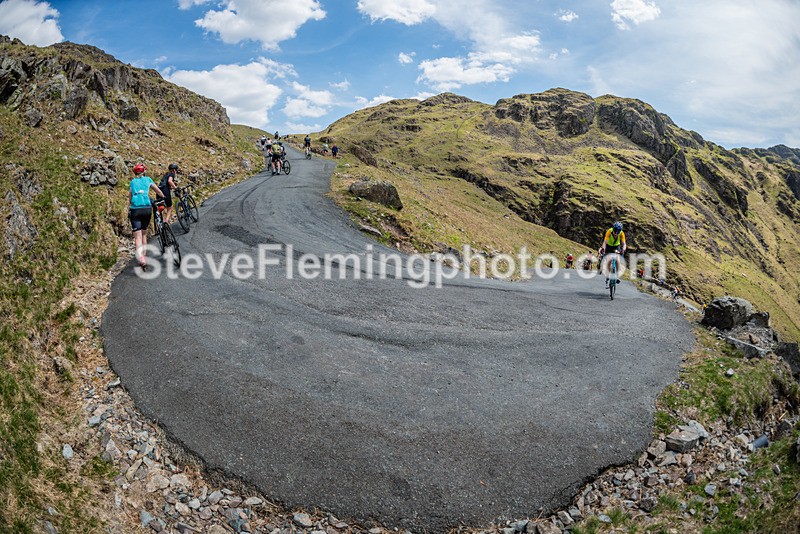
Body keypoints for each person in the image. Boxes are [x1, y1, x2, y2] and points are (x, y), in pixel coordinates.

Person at [128, 163, 164, 270]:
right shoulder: (148, 179)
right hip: (147, 209)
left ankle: (142, 259)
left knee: (137, 236)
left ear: (135, 173)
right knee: (144, 233)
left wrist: (131, 204)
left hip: (135, 210)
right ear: (144, 172)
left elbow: (130, 197)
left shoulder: (132, 182)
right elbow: (158, 191)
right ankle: (144, 255)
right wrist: (163, 197)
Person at [600, 221, 627, 287]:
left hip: (616, 246)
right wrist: (603, 249)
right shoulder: (609, 231)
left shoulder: (622, 233)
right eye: (615, 231)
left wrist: (623, 249)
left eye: (618, 231)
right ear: (613, 229)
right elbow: (605, 242)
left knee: (618, 259)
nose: (616, 233)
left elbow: (624, 244)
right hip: (608, 246)